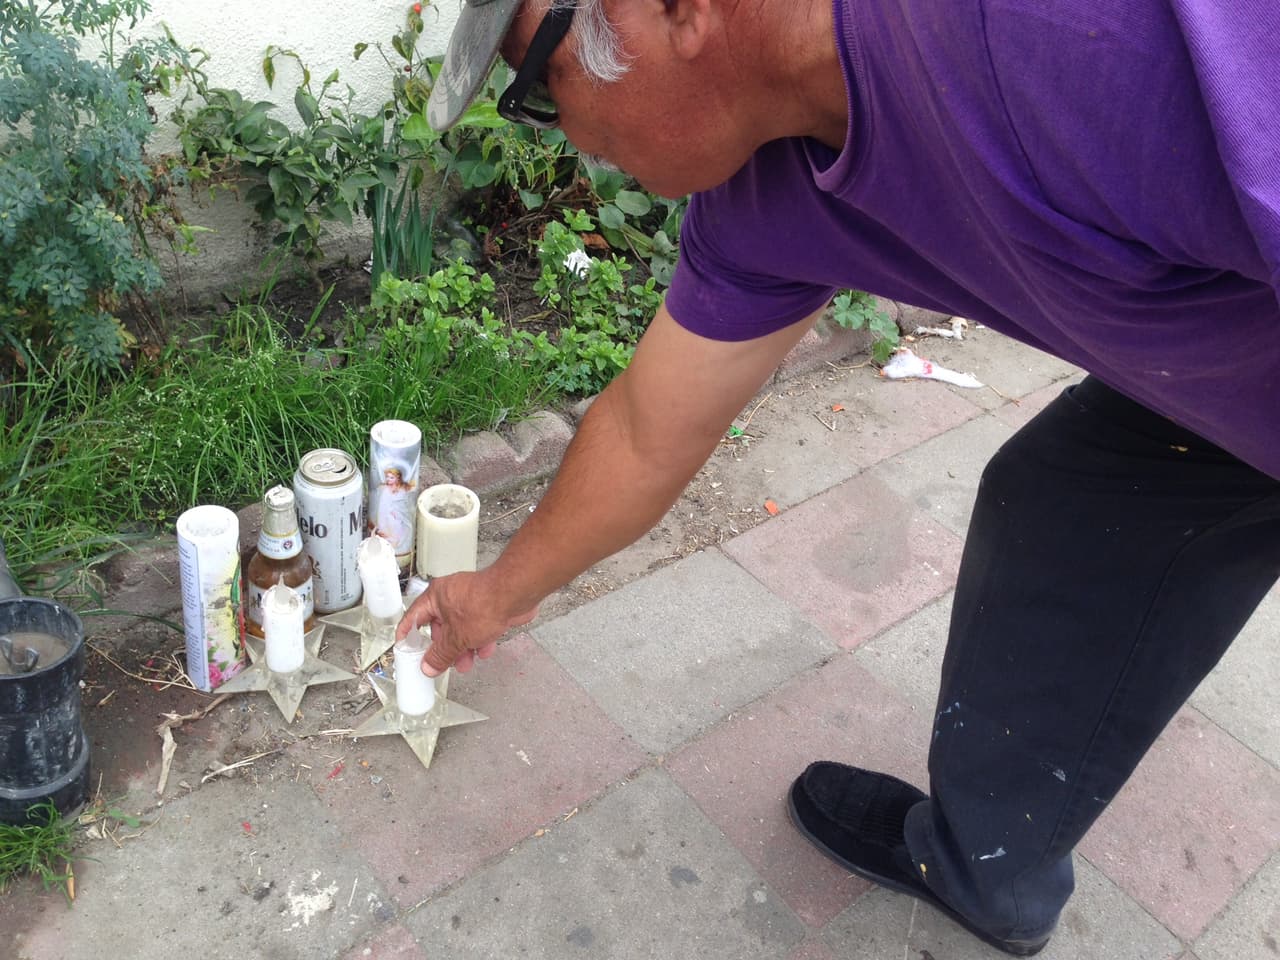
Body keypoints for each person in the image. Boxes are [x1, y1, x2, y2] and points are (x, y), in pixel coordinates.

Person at [397, 0, 1280, 953]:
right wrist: (491, 595)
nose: (559, 139)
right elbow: (649, 431)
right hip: (1211, 384)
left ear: (675, 10)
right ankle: (989, 866)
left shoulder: (1077, 36)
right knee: (1064, 508)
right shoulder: (766, 195)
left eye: (539, 89)